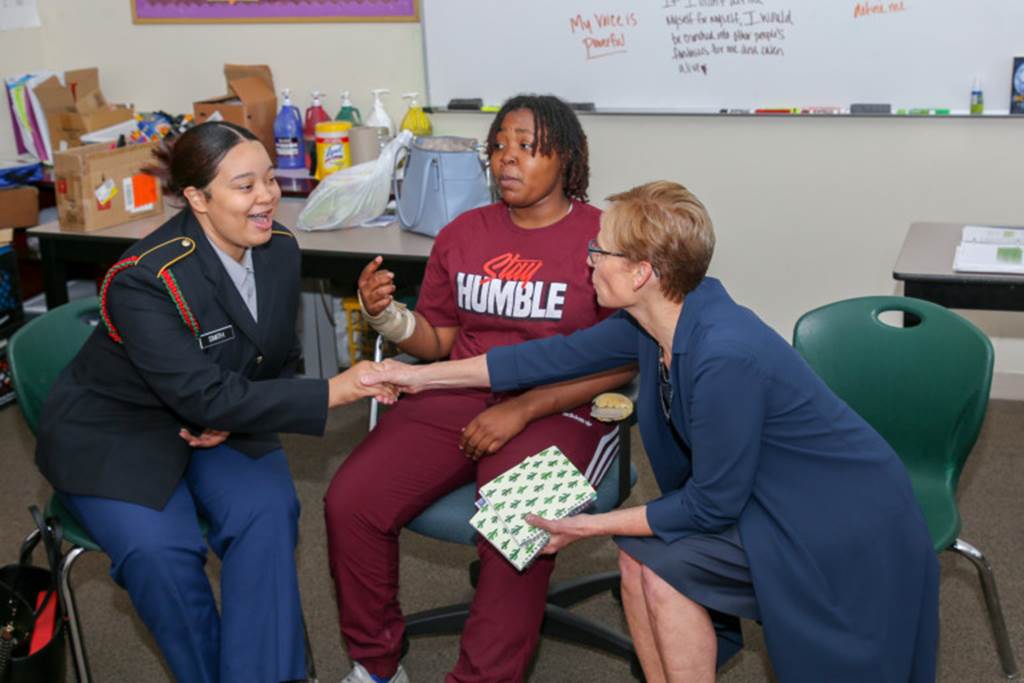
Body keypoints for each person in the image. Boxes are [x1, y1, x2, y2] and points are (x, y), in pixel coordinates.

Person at [363, 181, 941, 682]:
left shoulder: (723, 355)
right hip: (764, 496)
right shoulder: (655, 320)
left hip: (836, 519)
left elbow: (712, 505)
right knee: (640, 556)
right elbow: (535, 362)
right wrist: (413, 378)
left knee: (659, 567)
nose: (588, 258)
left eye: (600, 250)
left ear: (641, 272)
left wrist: (585, 526)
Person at [35, 121, 396, 683]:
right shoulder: (144, 279)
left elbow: (274, 359)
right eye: (245, 185)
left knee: (267, 513)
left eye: (271, 180)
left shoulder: (278, 250)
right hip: (117, 432)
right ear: (198, 198)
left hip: (222, 418)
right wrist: (337, 389)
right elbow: (201, 392)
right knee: (162, 554)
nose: (268, 197)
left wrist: (229, 412)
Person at [324, 95, 636, 683]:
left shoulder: (606, 237)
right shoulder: (463, 233)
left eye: (527, 146)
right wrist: (387, 318)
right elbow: (440, 341)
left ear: (567, 159)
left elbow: (623, 359)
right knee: (352, 501)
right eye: (498, 146)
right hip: (458, 393)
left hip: (563, 405)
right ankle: (376, 665)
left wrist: (523, 408)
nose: (507, 160)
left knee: (516, 518)